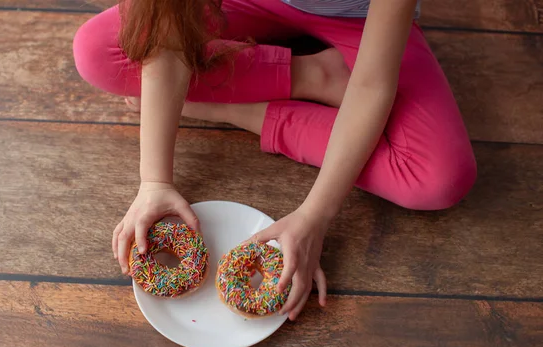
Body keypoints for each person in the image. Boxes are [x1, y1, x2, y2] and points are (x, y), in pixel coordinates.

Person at [73, 0, 477, 320]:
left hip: (364, 21)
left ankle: (236, 108)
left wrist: (314, 217)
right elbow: (167, 26)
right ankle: (314, 75)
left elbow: (372, 85)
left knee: (438, 176)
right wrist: (154, 181)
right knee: (98, 52)